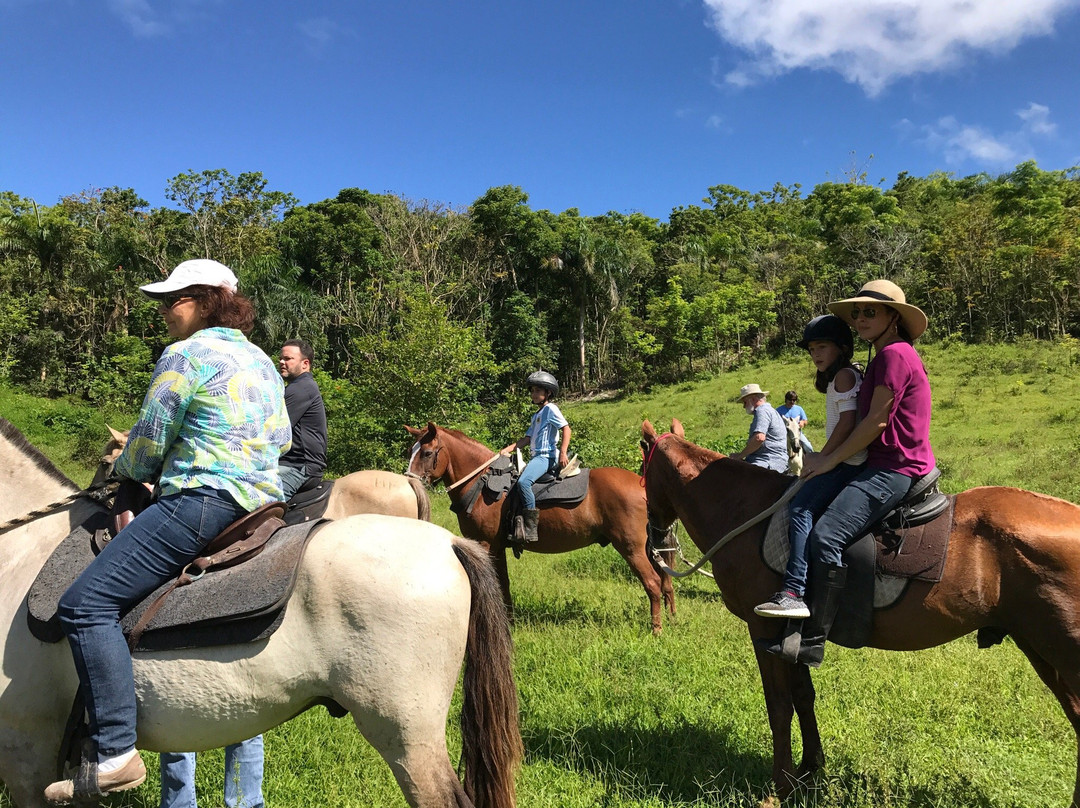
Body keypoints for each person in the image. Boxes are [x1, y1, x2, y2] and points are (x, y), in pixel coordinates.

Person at [45, 259, 291, 804]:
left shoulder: (185, 355)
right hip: (263, 504)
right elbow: (283, 438)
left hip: (202, 500)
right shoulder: (262, 361)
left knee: (84, 605)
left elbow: (152, 433)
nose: (162, 310)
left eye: (171, 299)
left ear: (205, 300)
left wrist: (130, 476)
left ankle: (114, 750)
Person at [762, 280, 934, 667]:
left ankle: (814, 640)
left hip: (894, 467)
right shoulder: (885, 356)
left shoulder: (894, 356)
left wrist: (828, 459)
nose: (860, 318)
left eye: (870, 311)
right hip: (882, 462)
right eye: (857, 312)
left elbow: (875, 422)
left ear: (894, 317)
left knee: (827, 535)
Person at [754, 315, 866, 619]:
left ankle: (794, 590)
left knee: (801, 509)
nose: (815, 354)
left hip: (848, 463)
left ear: (841, 348)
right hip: (845, 459)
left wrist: (821, 458)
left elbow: (847, 423)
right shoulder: (845, 374)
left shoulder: (843, 376)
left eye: (822, 346)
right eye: (812, 348)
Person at [499, 371, 570, 543]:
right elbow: (526, 440)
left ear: (548, 393)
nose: (534, 394)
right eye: (532, 391)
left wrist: (563, 451)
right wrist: (504, 451)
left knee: (524, 482)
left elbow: (566, 428)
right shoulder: (536, 416)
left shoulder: (551, 409)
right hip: (535, 458)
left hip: (546, 457)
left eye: (538, 390)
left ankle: (531, 528)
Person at [277, 338, 328, 500]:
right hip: (292, 464)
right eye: (281, 358)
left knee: (257, 501)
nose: (281, 362)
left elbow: (274, 430)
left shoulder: (301, 388)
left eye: (288, 359)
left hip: (299, 466)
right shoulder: (297, 387)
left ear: (305, 364)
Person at [731, 384, 788, 473]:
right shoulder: (771, 411)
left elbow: (759, 438)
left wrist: (740, 456)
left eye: (745, 402)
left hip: (767, 461)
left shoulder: (762, 411)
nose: (744, 406)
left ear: (753, 399)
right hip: (771, 460)